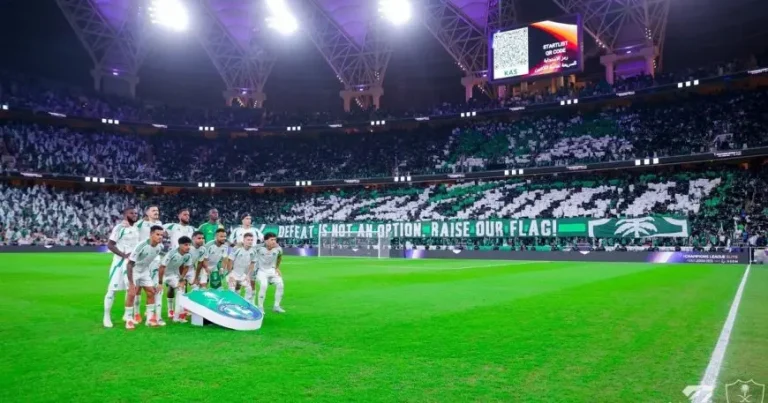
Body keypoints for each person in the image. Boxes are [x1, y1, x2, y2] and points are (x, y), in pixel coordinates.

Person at [103, 207, 139, 328]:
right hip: (119, 263)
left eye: (135, 213)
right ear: (125, 215)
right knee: (112, 290)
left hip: (131, 264)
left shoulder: (136, 228)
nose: (134, 215)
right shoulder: (119, 227)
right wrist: (123, 255)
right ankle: (106, 316)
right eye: (131, 213)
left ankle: (127, 316)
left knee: (131, 289)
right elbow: (110, 245)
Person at [124, 225, 165, 330]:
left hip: (144, 270)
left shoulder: (160, 247)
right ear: (151, 234)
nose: (160, 237)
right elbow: (129, 264)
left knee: (151, 292)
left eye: (162, 235)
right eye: (157, 234)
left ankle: (150, 319)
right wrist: (131, 283)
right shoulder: (141, 246)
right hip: (133, 269)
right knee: (132, 293)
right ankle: (129, 319)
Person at [133, 205, 163, 322]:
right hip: (142, 259)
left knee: (153, 287)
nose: (156, 212)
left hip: (154, 259)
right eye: (153, 210)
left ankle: (150, 312)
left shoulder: (159, 223)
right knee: (138, 288)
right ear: (147, 212)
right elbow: (130, 228)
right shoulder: (140, 223)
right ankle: (136, 313)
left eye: (157, 210)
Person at [158, 236, 193, 323]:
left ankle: (177, 317)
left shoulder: (188, 255)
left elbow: (186, 267)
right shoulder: (172, 253)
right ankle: (157, 318)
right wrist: (160, 282)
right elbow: (162, 267)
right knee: (158, 293)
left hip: (173, 274)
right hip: (162, 274)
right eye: (186, 245)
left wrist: (181, 278)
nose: (188, 247)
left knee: (181, 289)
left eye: (189, 245)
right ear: (180, 245)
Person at [254, 232, 285, 313]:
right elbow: (248, 250)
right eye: (272, 240)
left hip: (272, 270)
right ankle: (260, 307)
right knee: (264, 285)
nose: (274, 241)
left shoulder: (278, 249)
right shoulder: (258, 247)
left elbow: (279, 257)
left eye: (275, 240)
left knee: (280, 285)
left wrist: (277, 267)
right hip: (261, 271)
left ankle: (276, 306)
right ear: (266, 241)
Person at [225, 233, 256, 302]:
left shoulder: (253, 251)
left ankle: (246, 304)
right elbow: (230, 261)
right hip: (233, 273)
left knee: (249, 289)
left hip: (243, 275)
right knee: (232, 290)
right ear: (244, 240)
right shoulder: (237, 249)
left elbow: (252, 263)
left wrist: (248, 275)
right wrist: (230, 275)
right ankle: (231, 304)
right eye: (248, 240)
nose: (250, 241)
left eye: (251, 240)